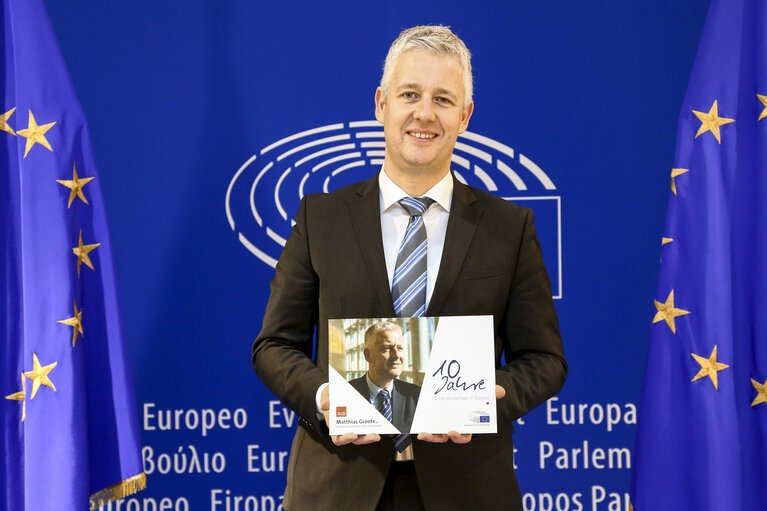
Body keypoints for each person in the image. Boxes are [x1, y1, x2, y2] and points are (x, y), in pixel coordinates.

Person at [252, 24, 566, 511]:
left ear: (465, 116)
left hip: (467, 490)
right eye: (410, 94)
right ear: (382, 104)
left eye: (443, 99)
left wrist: (490, 399)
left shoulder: (509, 227)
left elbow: (545, 360)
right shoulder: (320, 218)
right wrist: (323, 399)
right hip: (338, 487)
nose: (424, 113)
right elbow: (274, 346)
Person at [347, 321, 420, 436]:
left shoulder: (417, 396)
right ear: (367, 355)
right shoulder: (346, 393)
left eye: (400, 348)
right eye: (387, 348)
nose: (397, 355)